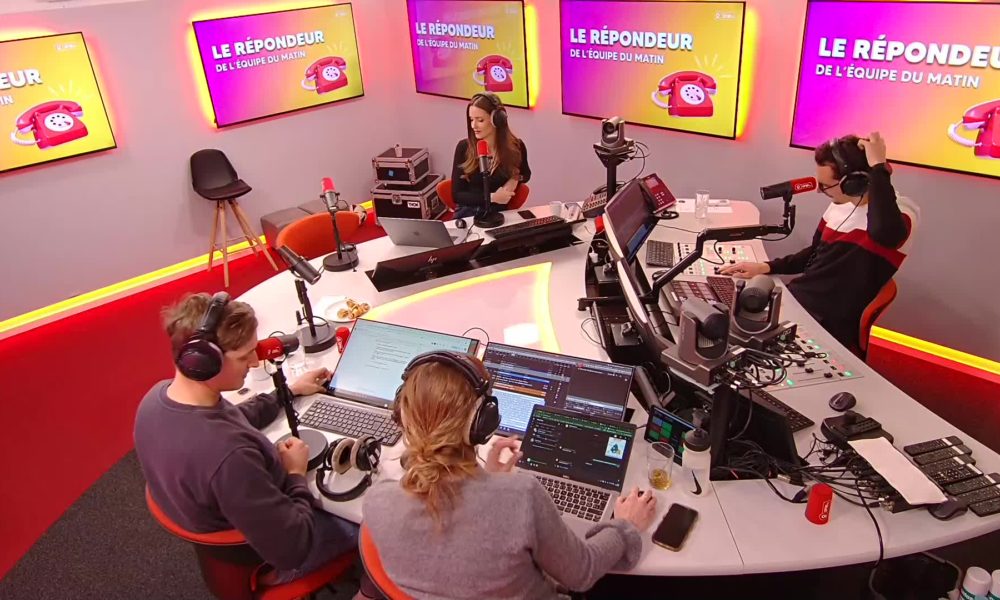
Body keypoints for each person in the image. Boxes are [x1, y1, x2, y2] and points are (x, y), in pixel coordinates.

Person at [362, 352, 656, 599]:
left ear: (403, 415)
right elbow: (582, 572)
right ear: (482, 421)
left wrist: (487, 479)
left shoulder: (377, 502)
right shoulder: (520, 495)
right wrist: (626, 525)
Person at [134, 292, 362, 588]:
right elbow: (293, 548)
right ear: (204, 362)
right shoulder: (230, 457)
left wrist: (288, 392)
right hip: (269, 552)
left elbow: (231, 418)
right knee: (368, 521)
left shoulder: (156, 399)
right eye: (244, 356)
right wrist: (295, 474)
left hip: (233, 524)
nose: (255, 363)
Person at [721, 132, 919, 352]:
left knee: (727, 343)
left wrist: (879, 168)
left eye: (825, 185)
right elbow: (815, 254)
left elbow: (884, 232)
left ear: (853, 183)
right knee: (718, 317)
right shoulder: (840, 204)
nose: (818, 190)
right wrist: (767, 267)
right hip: (797, 303)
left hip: (826, 325)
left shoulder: (901, 216)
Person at [450, 91, 531, 220]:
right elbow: (457, 195)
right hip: (468, 213)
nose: (474, 126)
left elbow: (526, 174)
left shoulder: (516, 146)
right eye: (471, 120)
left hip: (498, 215)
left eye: (480, 120)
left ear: (497, 120)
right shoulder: (464, 147)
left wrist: (515, 178)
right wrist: (492, 197)